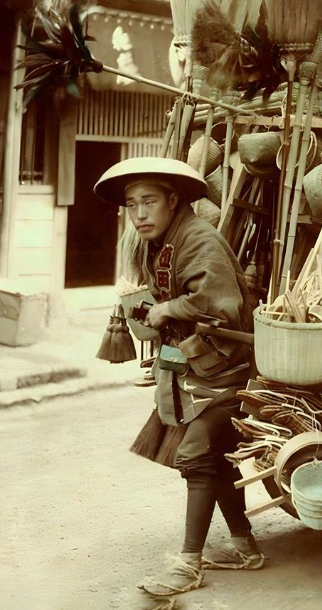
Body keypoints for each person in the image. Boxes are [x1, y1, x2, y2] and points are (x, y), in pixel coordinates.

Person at [94, 156, 265, 599]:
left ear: (173, 200)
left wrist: (169, 308)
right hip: (194, 368)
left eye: (149, 201)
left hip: (228, 370)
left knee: (196, 454)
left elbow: (220, 304)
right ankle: (244, 547)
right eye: (132, 205)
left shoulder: (199, 239)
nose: (140, 214)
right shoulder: (161, 243)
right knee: (214, 456)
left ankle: (189, 564)